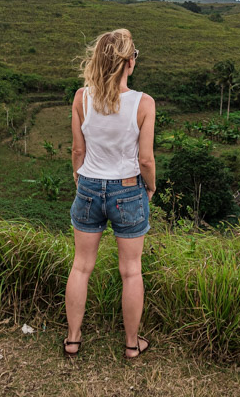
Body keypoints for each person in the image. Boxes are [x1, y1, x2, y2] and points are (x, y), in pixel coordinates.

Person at [63, 28, 156, 360]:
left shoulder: (81, 97)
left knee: (81, 266)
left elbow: (77, 150)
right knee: (131, 270)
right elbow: (145, 159)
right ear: (129, 63)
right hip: (128, 190)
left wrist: (81, 180)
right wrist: (151, 185)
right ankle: (132, 344)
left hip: (88, 185)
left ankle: (73, 339)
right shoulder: (143, 103)